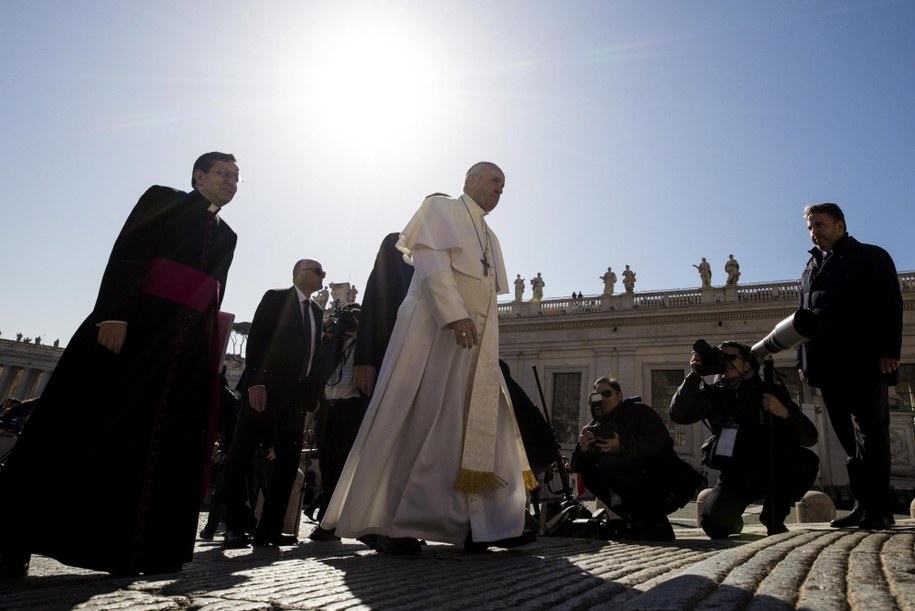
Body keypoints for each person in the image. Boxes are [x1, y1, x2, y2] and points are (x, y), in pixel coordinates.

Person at [0, 152, 239, 578]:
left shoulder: (229, 235)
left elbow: (212, 298)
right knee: (75, 428)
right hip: (134, 329)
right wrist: (114, 313)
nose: (232, 182)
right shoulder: (162, 199)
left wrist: (206, 359)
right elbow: (129, 254)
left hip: (181, 353)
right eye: (223, 174)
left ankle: (134, 551)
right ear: (198, 176)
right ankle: (12, 538)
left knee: (153, 445)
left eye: (237, 177)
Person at [321, 162, 537, 554]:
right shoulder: (440, 210)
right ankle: (387, 522)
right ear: (470, 180)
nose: (499, 191)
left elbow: (488, 293)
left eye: (504, 187)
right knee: (415, 419)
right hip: (431, 329)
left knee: (466, 428)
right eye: (493, 182)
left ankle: (481, 524)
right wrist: (454, 314)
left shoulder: (489, 236)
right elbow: (434, 266)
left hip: (472, 346)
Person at [798, 203, 902, 530]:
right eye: (811, 227)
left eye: (821, 224)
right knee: (848, 440)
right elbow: (803, 319)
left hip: (863, 361)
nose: (815, 231)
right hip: (827, 368)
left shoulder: (870, 256)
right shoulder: (809, 268)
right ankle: (862, 505)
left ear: (840, 225)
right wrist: (803, 361)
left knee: (871, 436)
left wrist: (888, 351)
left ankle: (880, 509)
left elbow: (889, 303)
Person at [221, 259, 327, 548]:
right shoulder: (276, 297)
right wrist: (255, 381)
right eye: (317, 271)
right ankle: (235, 526)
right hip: (264, 392)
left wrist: (313, 394)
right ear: (298, 274)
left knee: (288, 463)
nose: (323, 276)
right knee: (240, 456)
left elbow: (315, 356)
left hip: (296, 399)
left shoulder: (317, 312)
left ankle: (269, 529)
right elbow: (257, 339)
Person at [669, 341, 819, 538]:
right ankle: (733, 520)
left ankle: (773, 517)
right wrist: (694, 375)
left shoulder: (769, 391)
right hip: (737, 470)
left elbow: (810, 437)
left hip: (773, 467)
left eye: (732, 357)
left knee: (806, 461)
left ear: (747, 364)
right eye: (722, 358)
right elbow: (679, 415)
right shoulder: (714, 394)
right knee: (713, 524)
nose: (726, 362)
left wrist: (783, 412)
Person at [572, 377, 702, 541]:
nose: (602, 400)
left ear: (619, 395)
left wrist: (623, 445)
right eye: (597, 397)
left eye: (607, 394)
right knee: (592, 471)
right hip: (632, 490)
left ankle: (654, 521)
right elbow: (577, 468)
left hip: (666, 486)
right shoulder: (595, 427)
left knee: (609, 464)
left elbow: (663, 443)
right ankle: (635, 519)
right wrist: (582, 449)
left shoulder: (639, 412)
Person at [309, 304, 362, 541]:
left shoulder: (364, 348)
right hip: (327, 410)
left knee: (337, 462)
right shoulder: (333, 345)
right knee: (327, 463)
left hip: (349, 409)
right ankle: (328, 517)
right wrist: (328, 336)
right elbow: (318, 367)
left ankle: (330, 522)